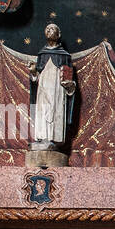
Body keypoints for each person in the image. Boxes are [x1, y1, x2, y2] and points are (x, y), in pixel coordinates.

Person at [30, 22, 76, 153]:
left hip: (57, 90)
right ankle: (42, 138)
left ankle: (53, 139)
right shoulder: (41, 55)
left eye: (53, 29)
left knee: (56, 109)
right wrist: (33, 72)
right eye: (48, 28)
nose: (50, 30)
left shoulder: (64, 55)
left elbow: (69, 79)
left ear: (59, 34)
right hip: (43, 89)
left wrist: (69, 86)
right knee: (42, 110)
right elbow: (35, 77)